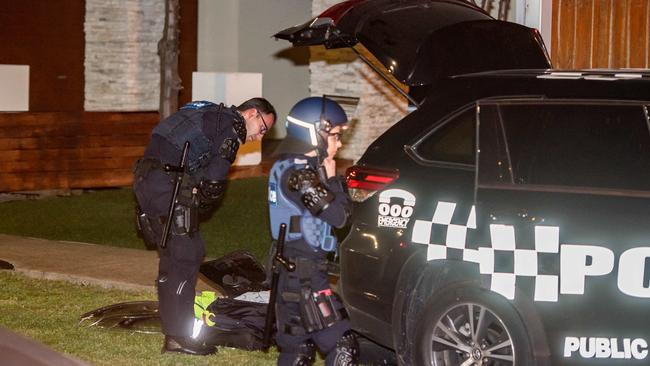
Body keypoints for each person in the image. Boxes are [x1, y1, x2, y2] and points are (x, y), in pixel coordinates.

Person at [133, 98, 276, 355]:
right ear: (252, 113)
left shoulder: (208, 112)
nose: (258, 137)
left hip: (147, 178)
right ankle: (178, 337)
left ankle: (175, 330)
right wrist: (205, 198)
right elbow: (215, 180)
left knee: (174, 256)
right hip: (167, 182)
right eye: (263, 128)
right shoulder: (232, 125)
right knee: (186, 254)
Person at [268, 96, 359, 365]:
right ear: (313, 133)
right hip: (306, 277)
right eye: (334, 135)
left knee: (297, 350)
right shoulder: (300, 176)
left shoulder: (295, 168)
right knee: (342, 345)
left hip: (294, 272)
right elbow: (340, 217)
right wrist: (332, 180)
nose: (339, 143)